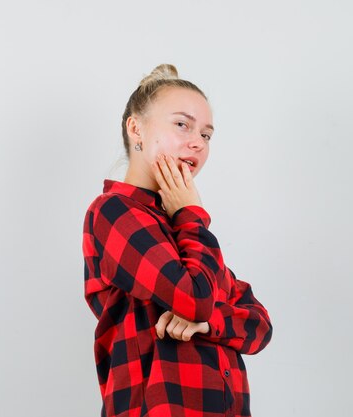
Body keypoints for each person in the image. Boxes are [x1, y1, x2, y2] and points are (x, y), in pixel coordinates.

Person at [82, 64, 273, 417]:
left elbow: (259, 325)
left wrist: (207, 323)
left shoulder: (181, 229)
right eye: (182, 124)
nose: (198, 142)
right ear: (136, 128)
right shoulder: (115, 213)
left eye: (207, 134)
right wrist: (192, 213)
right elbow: (195, 297)